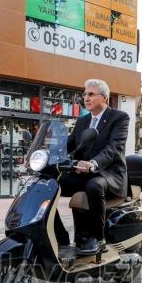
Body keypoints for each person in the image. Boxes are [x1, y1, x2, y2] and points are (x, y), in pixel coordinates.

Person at [56, 79, 129, 255]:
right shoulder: (82, 121)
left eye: (91, 94)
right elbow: (69, 145)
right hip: (82, 173)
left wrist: (94, 163)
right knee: (49, 183)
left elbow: (114, 148)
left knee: (93, 185)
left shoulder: (119, 118)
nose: (85, 98)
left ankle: (98, 238)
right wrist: (44, 155)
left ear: (104, 97)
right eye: (84, 94)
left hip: (109, 174)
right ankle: (59, 237)